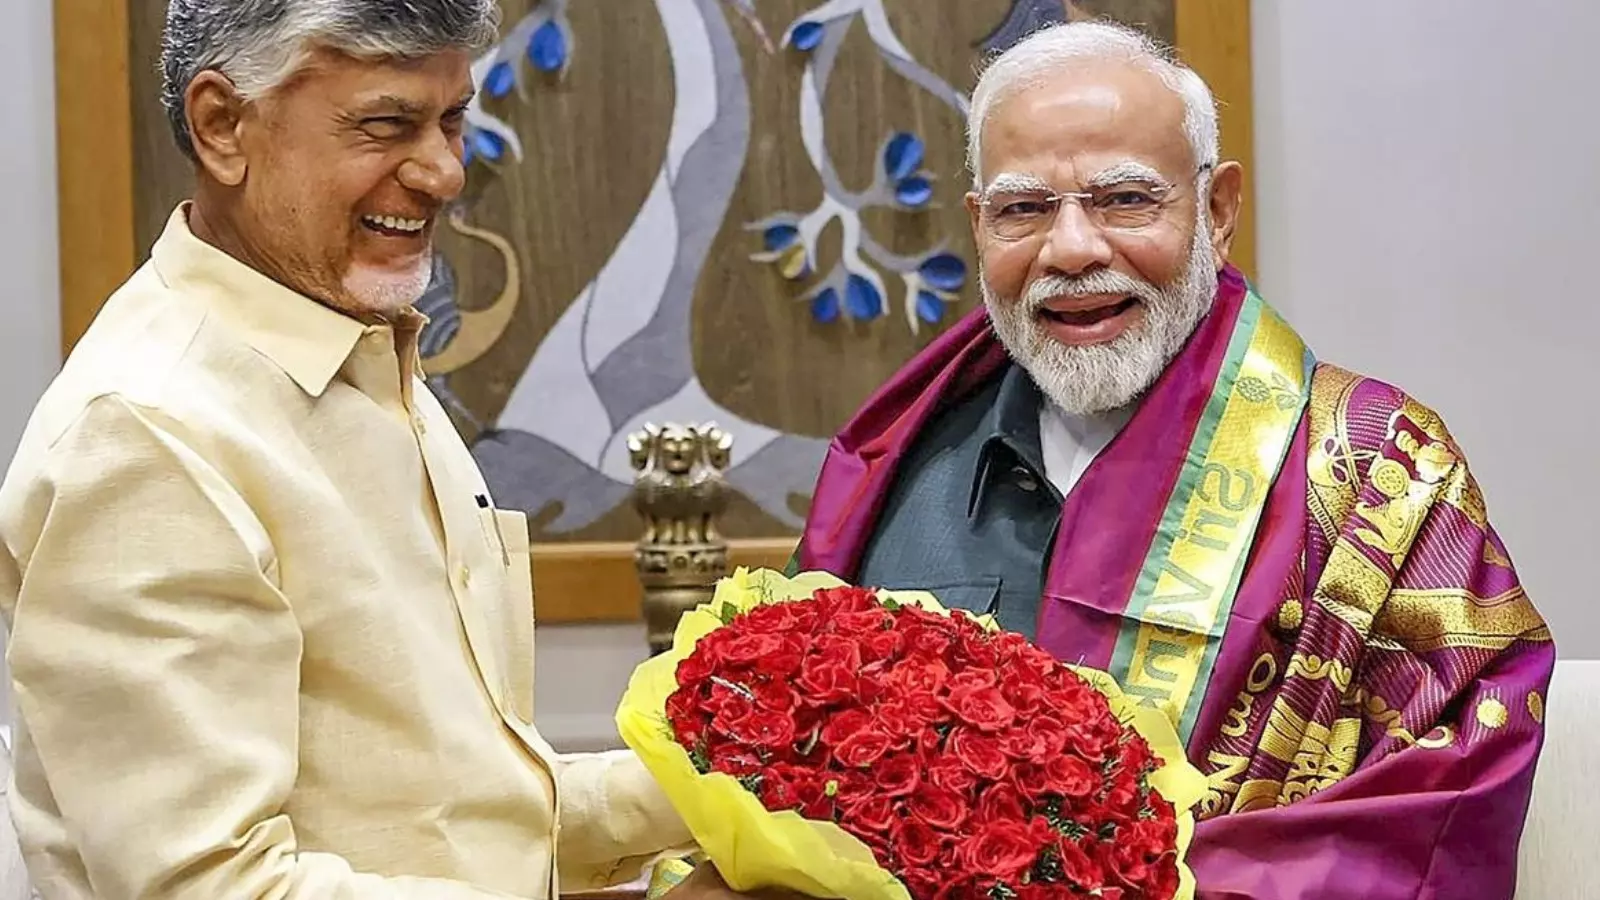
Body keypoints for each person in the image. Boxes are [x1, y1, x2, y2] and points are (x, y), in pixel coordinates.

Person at [0, 3, 758, 898]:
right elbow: (208, 887)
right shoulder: (147, 432)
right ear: (221, 127)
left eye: (452, 119)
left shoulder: (359, 351)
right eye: (386, 124)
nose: (443, 172)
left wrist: (760, 782)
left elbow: (461, 818)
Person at [789, 20, 1554, 899]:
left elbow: (1444, 797)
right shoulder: (900, 464)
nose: (1071, 249)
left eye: (1124, 199)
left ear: (1218, 211)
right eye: (1023, 209)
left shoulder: (1376, 470)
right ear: (979, 224)